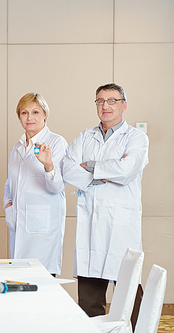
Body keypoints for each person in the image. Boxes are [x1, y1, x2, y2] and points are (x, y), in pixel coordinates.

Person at [63, 83, 149, 317]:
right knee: (89, 296)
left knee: (129, 290)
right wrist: (106, 173)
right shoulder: (85, 137)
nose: (106, 106)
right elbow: (68, 169)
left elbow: (127, 170)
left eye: (112, 101)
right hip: (91, 220)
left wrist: (89, 166)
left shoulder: (136, 138)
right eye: (100, 101)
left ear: (124, 105)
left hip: (121, 222)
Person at [3, 93, 68, 276]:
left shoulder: (56, 143)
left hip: (42, 230)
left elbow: (57, 187)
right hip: (19, 224)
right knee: (19, 280)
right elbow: (10, 185)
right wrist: (8, 206)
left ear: (45, 115)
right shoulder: (17, 148)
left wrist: (48, 165)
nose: (30, 118)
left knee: (42, 283)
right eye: (24, 112)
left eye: (35, 112)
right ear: (19, 117)